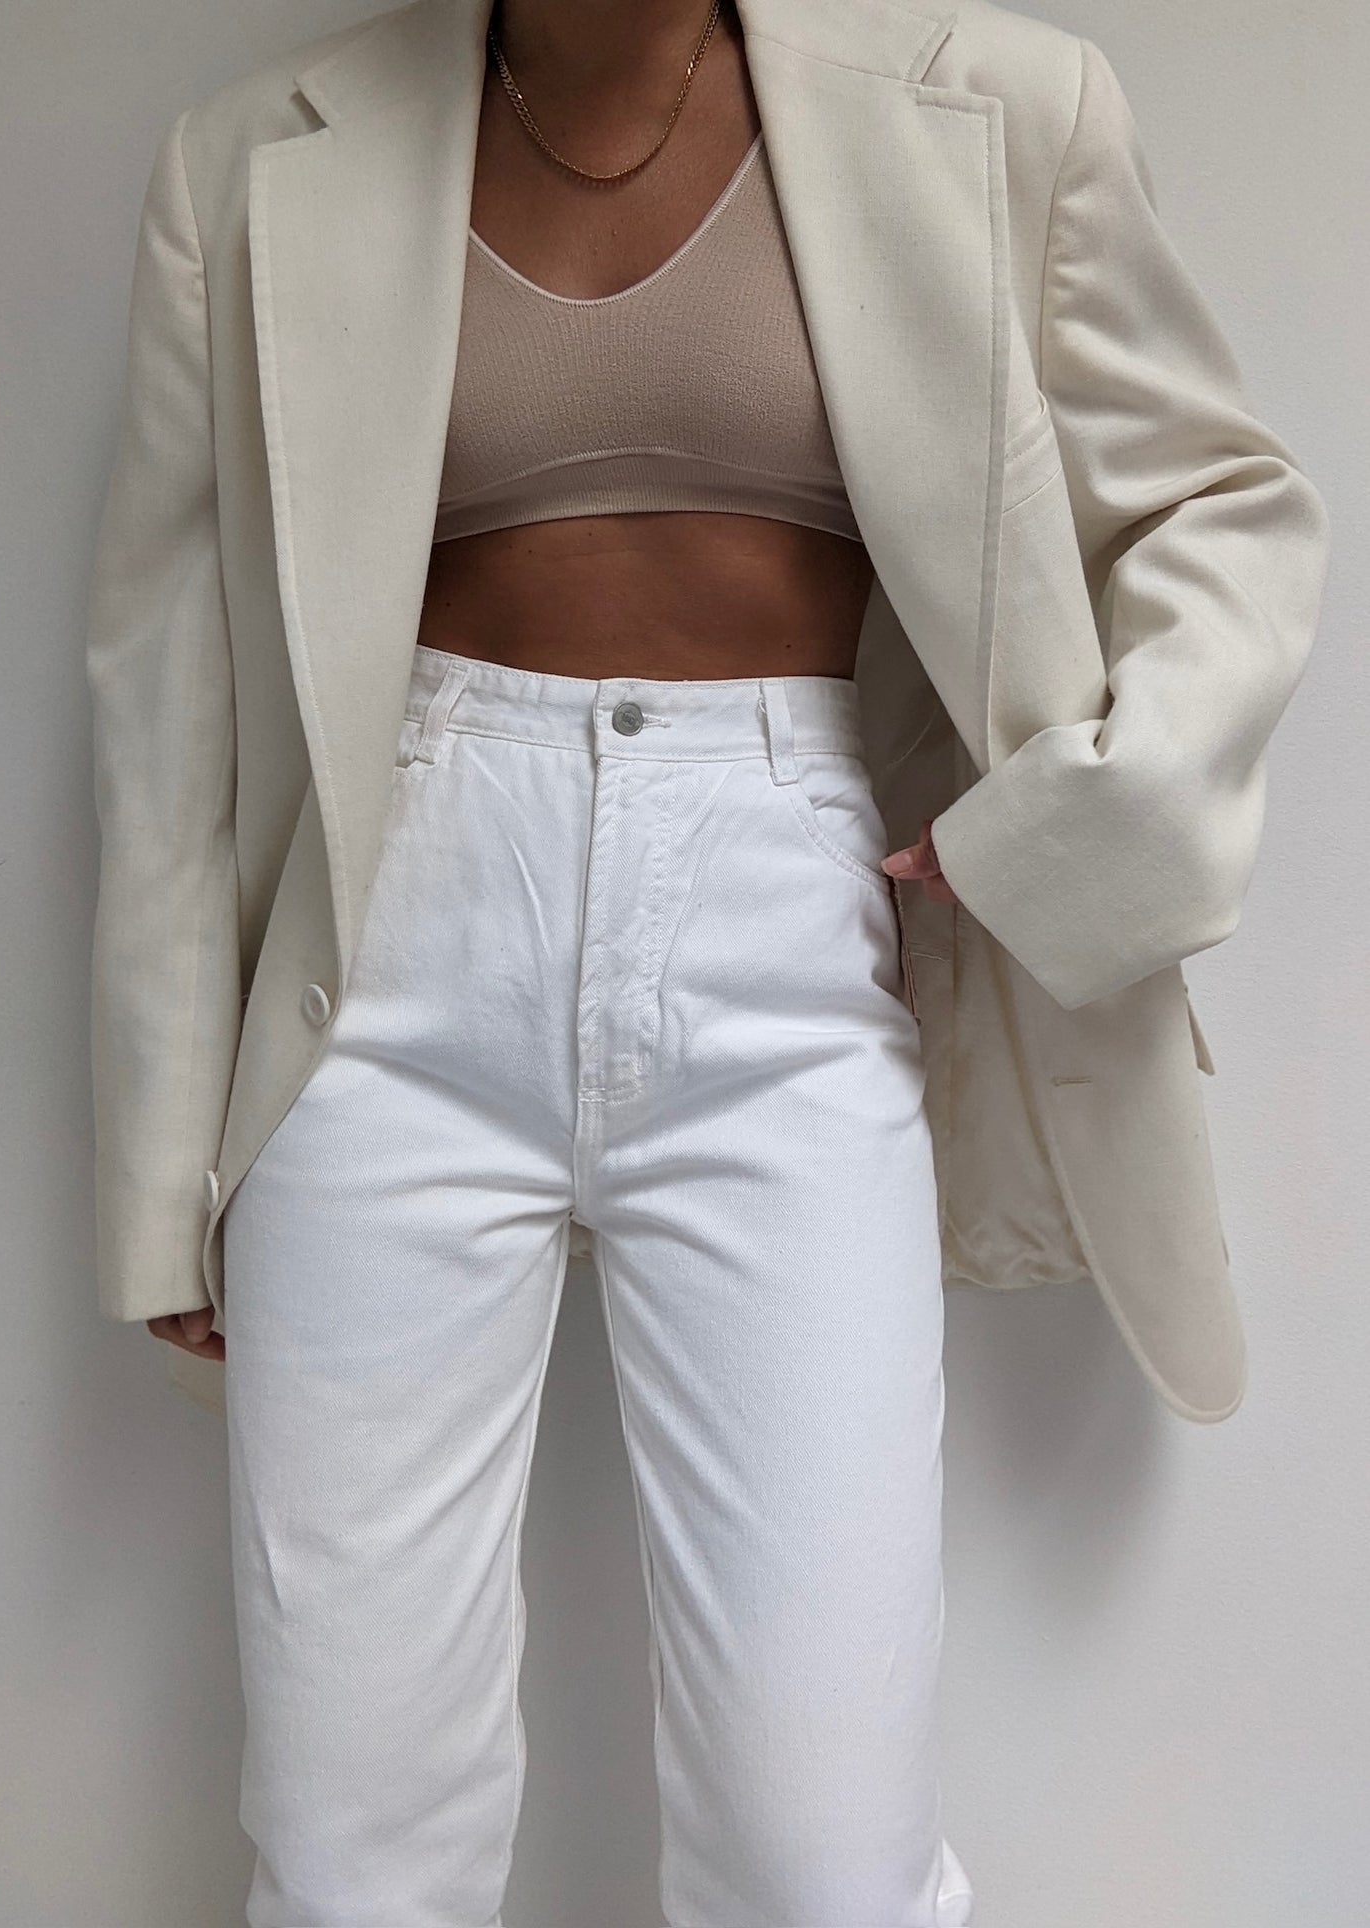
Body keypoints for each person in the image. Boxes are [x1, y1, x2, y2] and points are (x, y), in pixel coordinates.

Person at [83, 0, 1330, 1920]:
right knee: (347, 1840)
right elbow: (171, 687)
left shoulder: (995, 104)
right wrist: (169, 1150)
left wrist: (1067, 826)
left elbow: (1217, 509)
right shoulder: (251, 155)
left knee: (817, 1853)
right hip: (384, 958)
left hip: (785, 950)